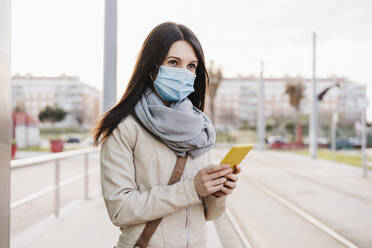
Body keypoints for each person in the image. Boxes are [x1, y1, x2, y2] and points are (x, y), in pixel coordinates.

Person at [91, 21, 241, 248]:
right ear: (152, 69)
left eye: (191, 66)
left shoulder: (198, 128)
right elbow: (120, 209)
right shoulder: (124, 126)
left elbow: (208, 215)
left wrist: (218, 192)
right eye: (174, 62)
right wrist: (191, 189)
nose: (184, 72)